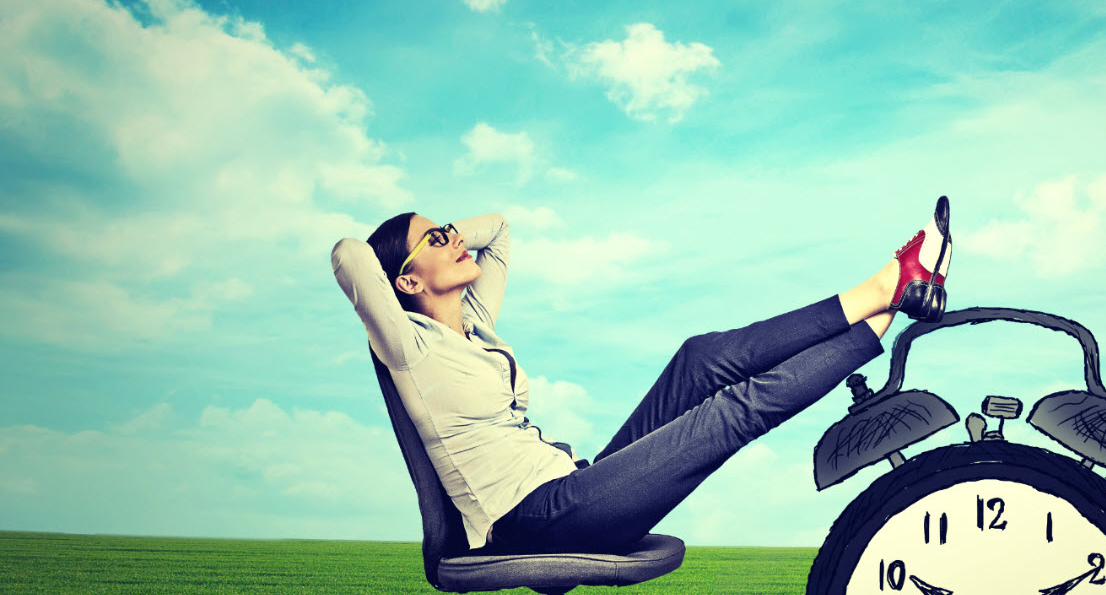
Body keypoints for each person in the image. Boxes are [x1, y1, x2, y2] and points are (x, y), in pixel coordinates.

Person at [331, 197, 952, 555]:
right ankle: (892, 304)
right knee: (729, 412)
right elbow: (350, 256)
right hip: (528, 521)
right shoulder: (407, 346)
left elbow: (498, 228)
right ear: (406, 284)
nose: (454, 239)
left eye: (447, 230)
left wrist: (445, 239)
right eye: (437, 239)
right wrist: (416, 251)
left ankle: (882, 292)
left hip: (575, 484)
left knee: (697, 360)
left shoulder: (473, 322)